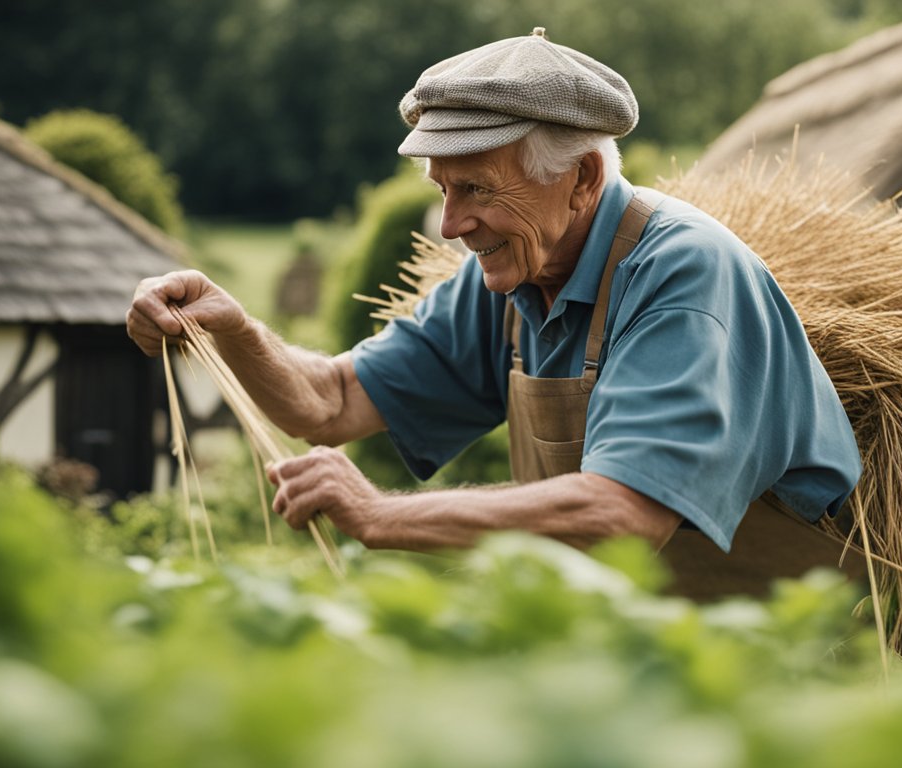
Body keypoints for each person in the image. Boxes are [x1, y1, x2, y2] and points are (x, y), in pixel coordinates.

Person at [127, 28, 861, 599]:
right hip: (649, 653)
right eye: (442, 190)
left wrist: (380, 515)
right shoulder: (511, 282)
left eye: (475, 189)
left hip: (784, 662)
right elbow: (334, 400)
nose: (450, 225)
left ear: (581, 178)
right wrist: (231, 331)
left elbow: (623, 516)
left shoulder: (683, 274)